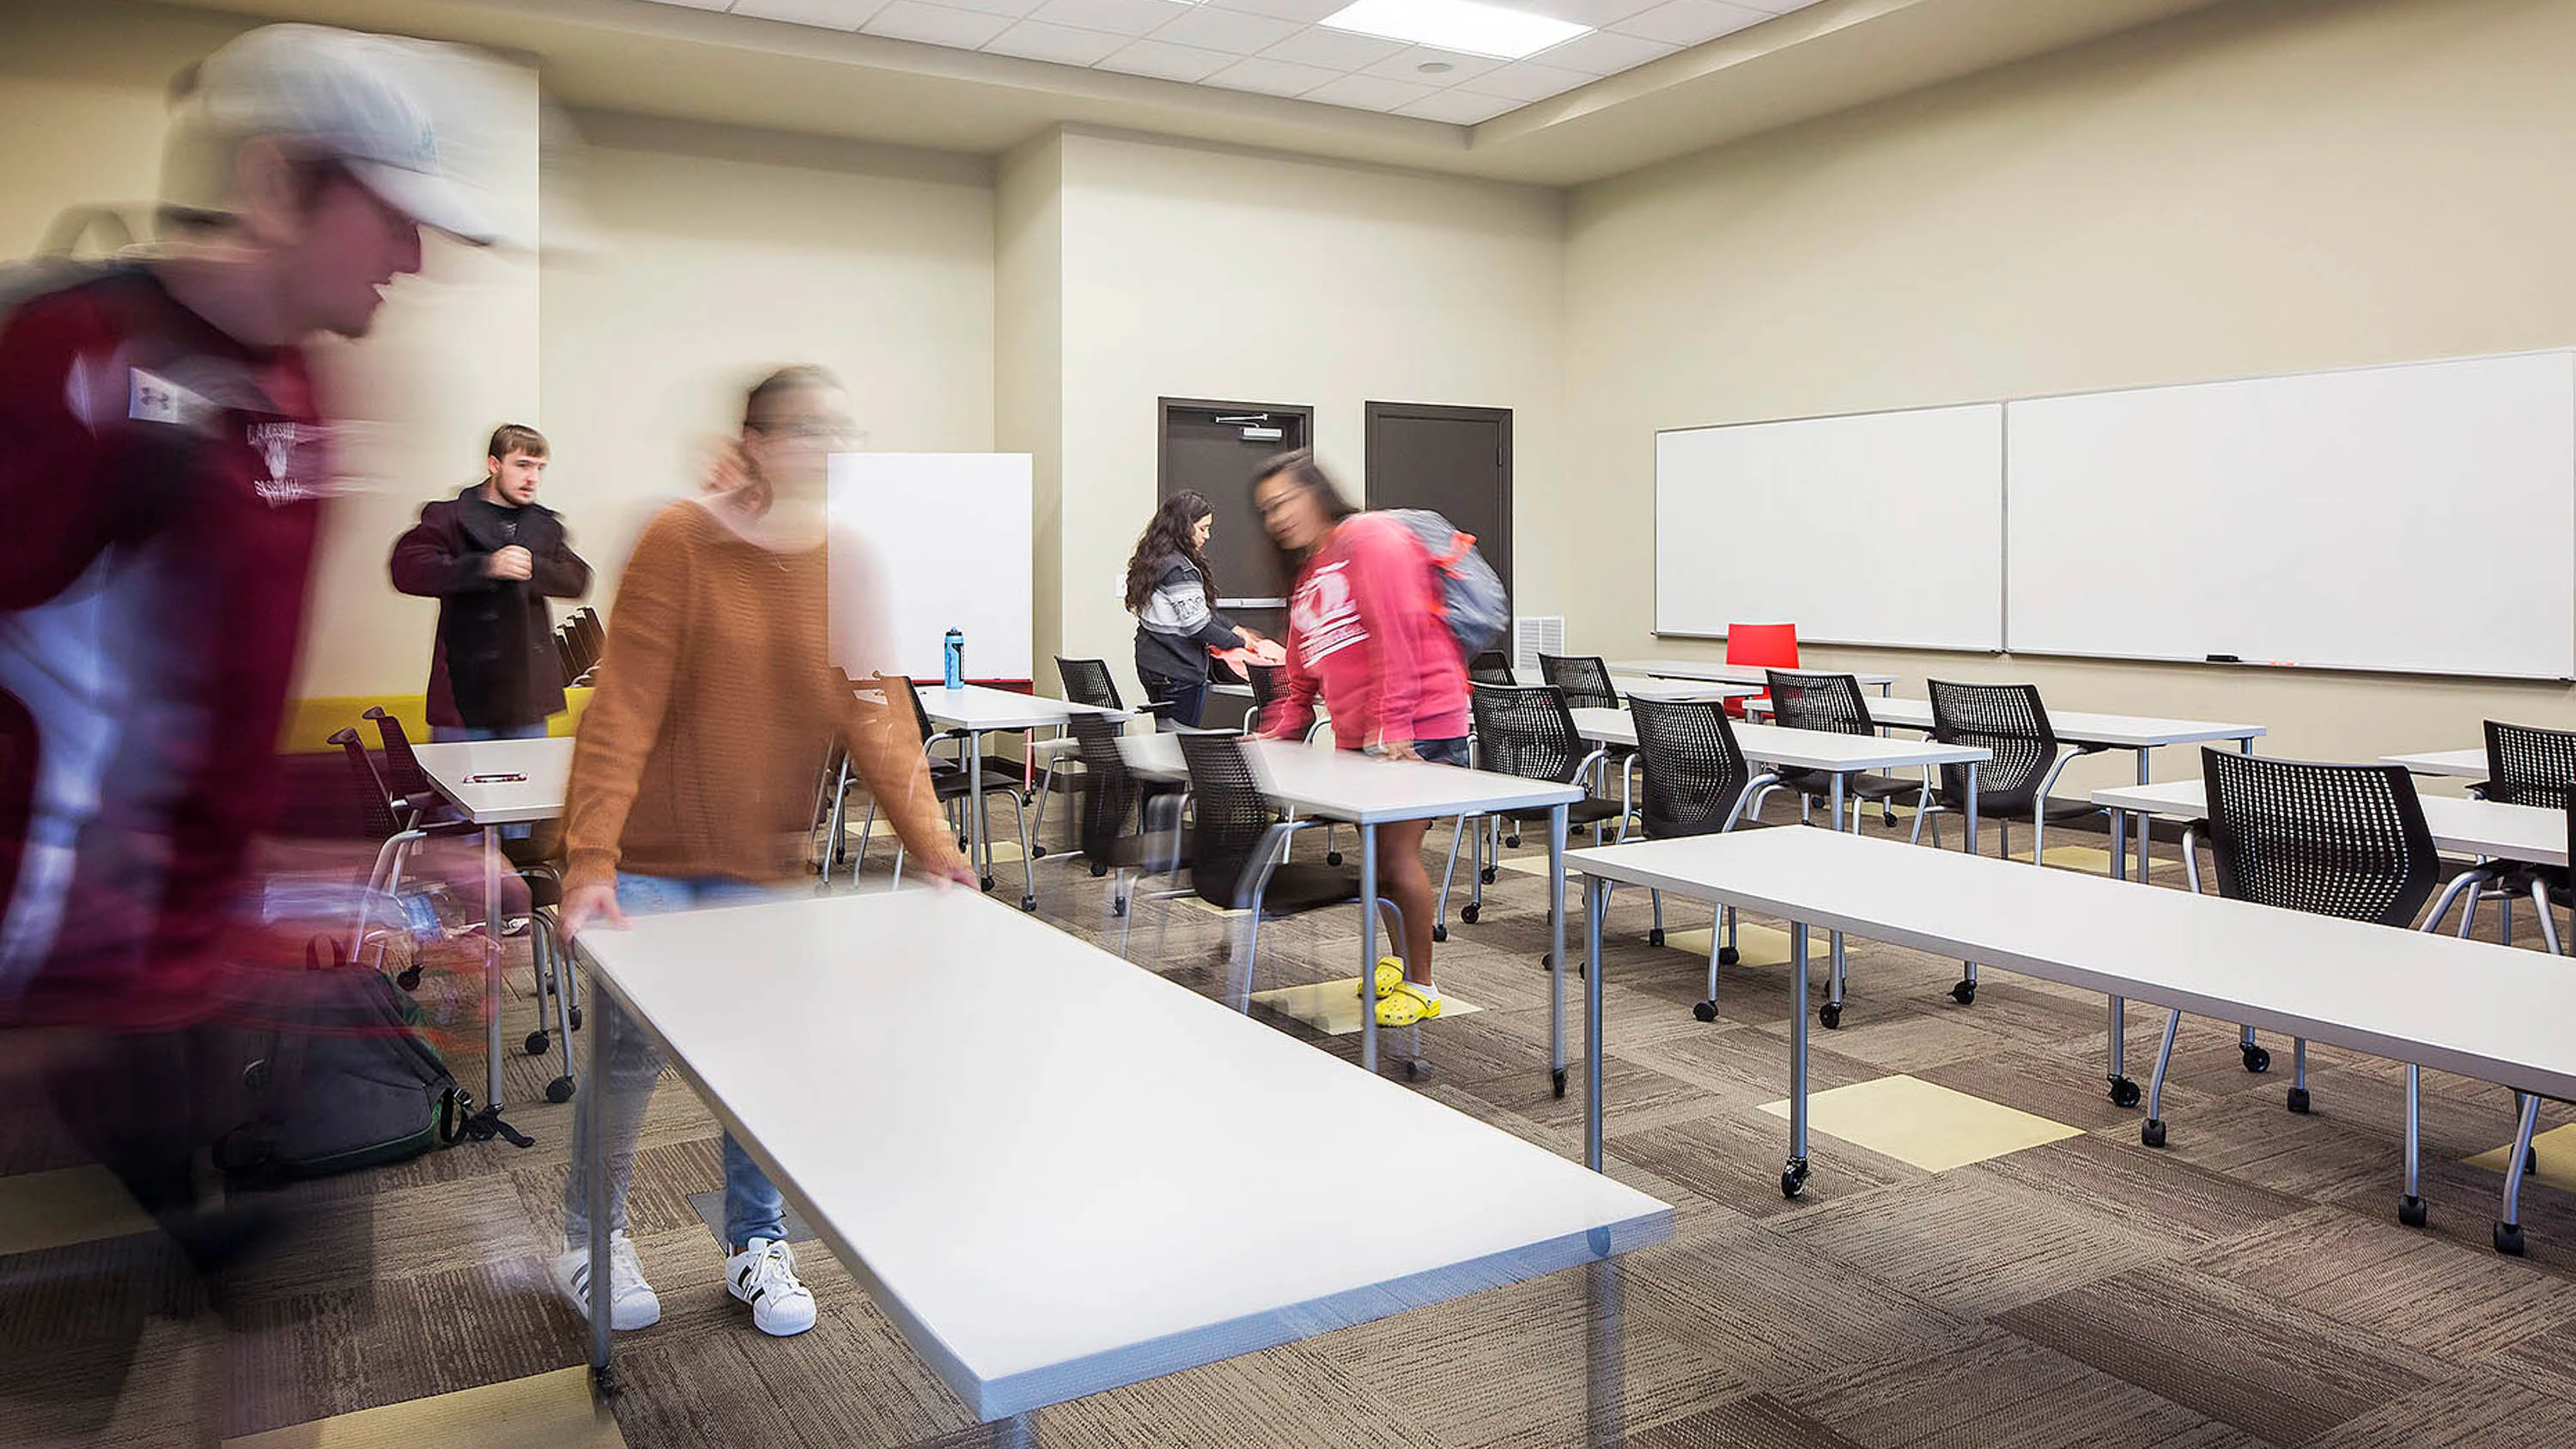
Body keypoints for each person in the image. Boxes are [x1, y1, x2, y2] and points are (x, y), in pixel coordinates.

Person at [0, 21, 490, 1241]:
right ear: (279, 182)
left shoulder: (304, 396)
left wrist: (327, 888)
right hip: (49, 1009)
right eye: (390, 214)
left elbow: (195, 726)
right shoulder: (68, 359)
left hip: (185, 986)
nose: (416, 256)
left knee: (252, 1343)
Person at [550, 365, 973, 1338]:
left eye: (837, 430)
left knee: (768, 1060)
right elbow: (625, 708)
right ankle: (593, 1237)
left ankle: (754, 1241)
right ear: (757, 442)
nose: (825, 450)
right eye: (804, 431)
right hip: (650, 854)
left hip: (761, 862)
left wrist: (938, 848)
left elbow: (877, 715)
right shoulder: (679, 544)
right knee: (627, 1060)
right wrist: (590, 858)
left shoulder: (850, 562)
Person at [1248, 450, 1469, 1028]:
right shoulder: (1311, 569)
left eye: (1283, 502)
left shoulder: (1370, 537)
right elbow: (1304, 666)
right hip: (1361, 734)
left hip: (1418, 724)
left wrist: (1394, 722)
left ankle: (1423, 984)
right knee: (1377, 858)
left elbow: (1401, 629)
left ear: (1316, 492)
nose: (1275, 518)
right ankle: (1399, 962)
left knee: (1396, 858)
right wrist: (1280, 727)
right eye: (1266, 511)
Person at [390, 423, 592, 746]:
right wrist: (485, 566)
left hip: (525, 697)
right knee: (457, 794)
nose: (533, 479)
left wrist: (532, 567)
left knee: (525, 795)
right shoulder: (449, 517)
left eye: (540, 468)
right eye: (522, 465)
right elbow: (407, 569)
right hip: (463, 693)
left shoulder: (544, 525)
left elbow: (577, 579)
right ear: (494, 464)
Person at [1124, 490, 1262, 728]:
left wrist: (1234, 627)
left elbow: (1196, 610)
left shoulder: (1156, 561)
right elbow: (1198, 625)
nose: (1207, 536)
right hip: (1178, 670)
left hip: (1152, 665)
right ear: (1184, 528)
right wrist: (1240, 643)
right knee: (1180, 746)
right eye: (1202, 528)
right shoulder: (1181, 570)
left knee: (1166, 739)